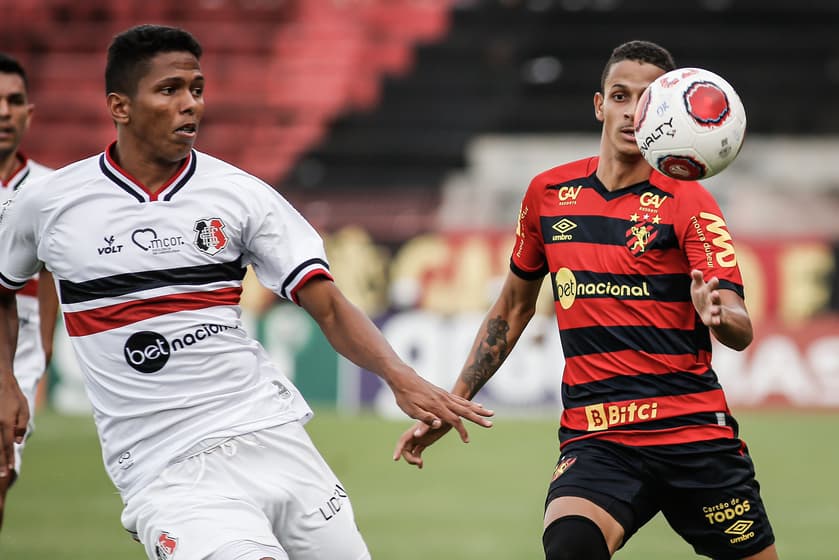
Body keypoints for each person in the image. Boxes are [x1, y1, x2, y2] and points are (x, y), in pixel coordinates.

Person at [0, 24, 493, 558]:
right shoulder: (49, 203)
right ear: (120, 106)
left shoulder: (240, 195)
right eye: (169, 90)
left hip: (275, 438)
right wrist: (5, 379)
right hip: (168, 471)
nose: (190, 104)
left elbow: (324, 302)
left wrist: (399, 377)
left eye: (197, 88)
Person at [395, 40, 779, 560]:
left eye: (645, 100)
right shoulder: (548, 195)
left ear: (664, 112)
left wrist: (719, 314)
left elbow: (738, 322)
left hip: (692, 436)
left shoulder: (689, 200)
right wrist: (450, 402)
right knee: (570, 544)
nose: (629, 110)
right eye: (620, 95)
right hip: (598, 437)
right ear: (599, 105)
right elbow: (511, 308)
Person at [0, 52, 58, 531]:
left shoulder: (50, 189)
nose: (3, 111)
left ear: (28, 113)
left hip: (17, 345)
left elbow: (55, 273)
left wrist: (45, 347)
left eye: (14, 100)